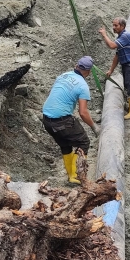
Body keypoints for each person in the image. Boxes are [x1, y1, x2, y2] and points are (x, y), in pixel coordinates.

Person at [42, 56, 101, 184]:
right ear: (89, 72)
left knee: (65, 145)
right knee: (83, 142)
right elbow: (83, 112)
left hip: (47, 119)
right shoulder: (82, 86)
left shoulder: (63, 75)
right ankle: (76, 175)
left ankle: (71, 176)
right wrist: (94, 127)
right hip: (61, 120)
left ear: (76, 65)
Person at [99, 17, 130, 119]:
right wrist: (111, 70)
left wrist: (104, 35)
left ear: (122, 26)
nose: (113, 27)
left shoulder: (125, 36)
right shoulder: (120, 38)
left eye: (116, 25)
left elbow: (112, 46)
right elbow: (117, 56)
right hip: (127, 65)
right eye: (113, 25)